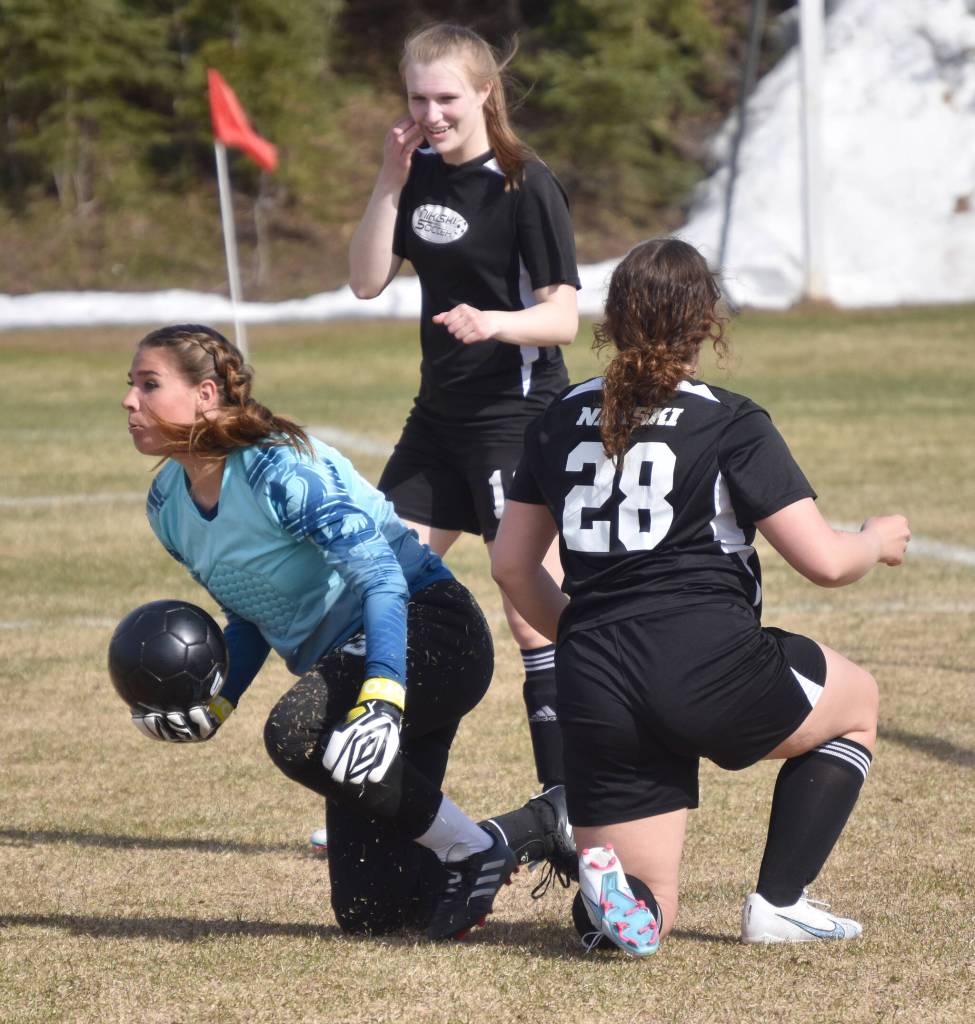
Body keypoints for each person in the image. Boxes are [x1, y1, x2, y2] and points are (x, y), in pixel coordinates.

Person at [490, 238, 911, 954]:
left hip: (594, 678)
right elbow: (824, 562)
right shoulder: (727, 420)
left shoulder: (559, 416)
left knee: (651, 905)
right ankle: (780, 903)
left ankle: (617, 909)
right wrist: (874, 538)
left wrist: (582, 636)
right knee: (856, 707)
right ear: (705, 322)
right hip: (706, 664)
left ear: (613, 320)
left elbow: (510, 567)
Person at [121, 322, 532, 940]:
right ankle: (528, 830)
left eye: (148, 385)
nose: (129, 401)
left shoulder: (277, 470)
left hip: (432, 631)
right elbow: (251, 615)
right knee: (375, 915)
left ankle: (475, 848)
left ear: (206, 394)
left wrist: (383, 696)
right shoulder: (166, 507)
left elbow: (386, 581)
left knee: (297, 733)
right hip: (362, 662)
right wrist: (217, 700)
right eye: (129, 386)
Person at [346, 23, 581, 849]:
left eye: (446, 97)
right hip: (436, 420)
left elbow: (563, 315)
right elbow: (367, 279)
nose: (431, 112)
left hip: (514, 418)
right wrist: (387, 178)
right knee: (373, 585)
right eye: (417, 98)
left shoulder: (526, 184)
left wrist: (496, 323)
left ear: (485, 93)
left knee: (531, 609)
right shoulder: (413, 179)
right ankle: (377, 793)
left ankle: (573, 795)